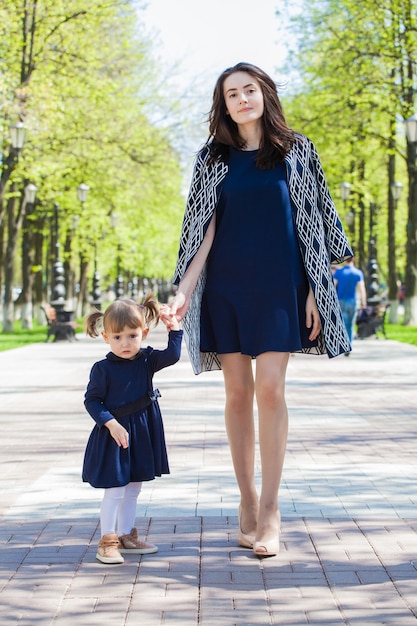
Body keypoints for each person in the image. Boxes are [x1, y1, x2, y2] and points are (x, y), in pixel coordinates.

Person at [169, 62, 353, 558]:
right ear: (223, 105)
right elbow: (201, 230)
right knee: (235, 393)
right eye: (232, 93)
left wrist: (319, 286)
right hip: (228, 287)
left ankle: (271, 511)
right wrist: (184, 289)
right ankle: (246, 501)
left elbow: (317, 218)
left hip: (282, 286)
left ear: (265, 94)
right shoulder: (213, 159)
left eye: (249, 89)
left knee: (269, 389)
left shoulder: (298, 150)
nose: (242, 99)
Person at [82, 294, 182, 564]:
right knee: (116, 488)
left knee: (134, 486)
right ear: (106, 337)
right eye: (117, 337)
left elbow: (173, 355)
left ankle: (127, 535)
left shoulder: (146, 361)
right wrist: (110, 423)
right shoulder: (102, 369)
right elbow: (92, 401)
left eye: (132, 336)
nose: (125, 343)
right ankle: (108, 540)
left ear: (144, 333)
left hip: (142, 431)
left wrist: (174, 328)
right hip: (115, 433)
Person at [333, 258, 367, 350]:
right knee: (350, 324)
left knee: (342, 323)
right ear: (354, 260)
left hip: (340, 301)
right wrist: (364, 303)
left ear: (344, 260)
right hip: (352, 301)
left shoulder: (339, 272)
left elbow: (333, 286)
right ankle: (349, 345)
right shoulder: (358, 273)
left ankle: (342, 344)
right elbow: (362, 289)